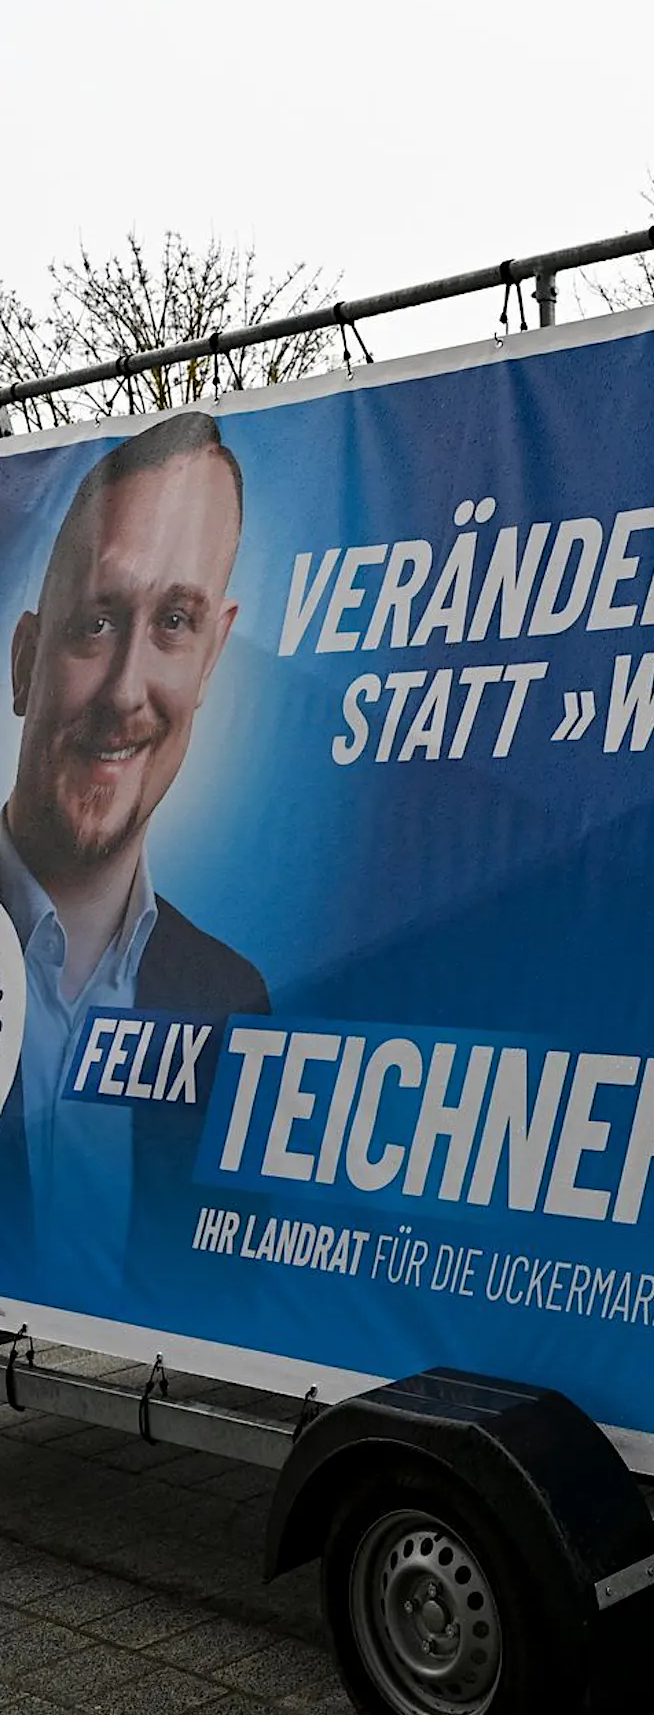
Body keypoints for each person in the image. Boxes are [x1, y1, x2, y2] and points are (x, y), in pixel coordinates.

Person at [0, 412, 268, 1302]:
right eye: (97, 622)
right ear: (26, 658)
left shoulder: (230, 998)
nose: (125, 693)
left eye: (176, 622)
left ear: (213, 655)